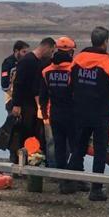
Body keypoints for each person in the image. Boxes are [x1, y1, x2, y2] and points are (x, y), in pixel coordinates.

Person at [67, 26, 109, 202]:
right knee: (100, 151)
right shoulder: (108, 63)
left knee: (79, 147)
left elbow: (70, 83)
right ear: (105, 42)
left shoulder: (78, 59)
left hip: (80, 112)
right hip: (100, 114)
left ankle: (73, 180)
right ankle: (96, 189)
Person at [39, 36, 87, 193]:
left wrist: (45, 115)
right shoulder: (75, 70)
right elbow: (79, 95)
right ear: (71, 51)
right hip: (73, 115)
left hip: (55, 115)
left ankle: (63, 182)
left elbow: (43, 96)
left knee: (59, 148)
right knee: (77, 148)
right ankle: (78, 180)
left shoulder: (46, 71)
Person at [9, 37, 55, 163]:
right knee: (25, 133)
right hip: (25, 104)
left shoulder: (38, 61)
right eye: (51, 51)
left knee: (33, 133)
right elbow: (18, 83)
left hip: (32, 103)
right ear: (46, 48)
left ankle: (31, 159)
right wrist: (16, 104)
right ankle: (20, 161)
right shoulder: (28, 61)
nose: (51, 54)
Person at [0, 40, 29, 111]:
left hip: (25, 99)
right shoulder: (8, 63)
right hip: (11, 100)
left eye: (26, 52)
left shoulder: (26, 61)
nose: (26, 54)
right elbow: (4, 86)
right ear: (16, 51)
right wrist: (15, 95)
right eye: (24, 52)